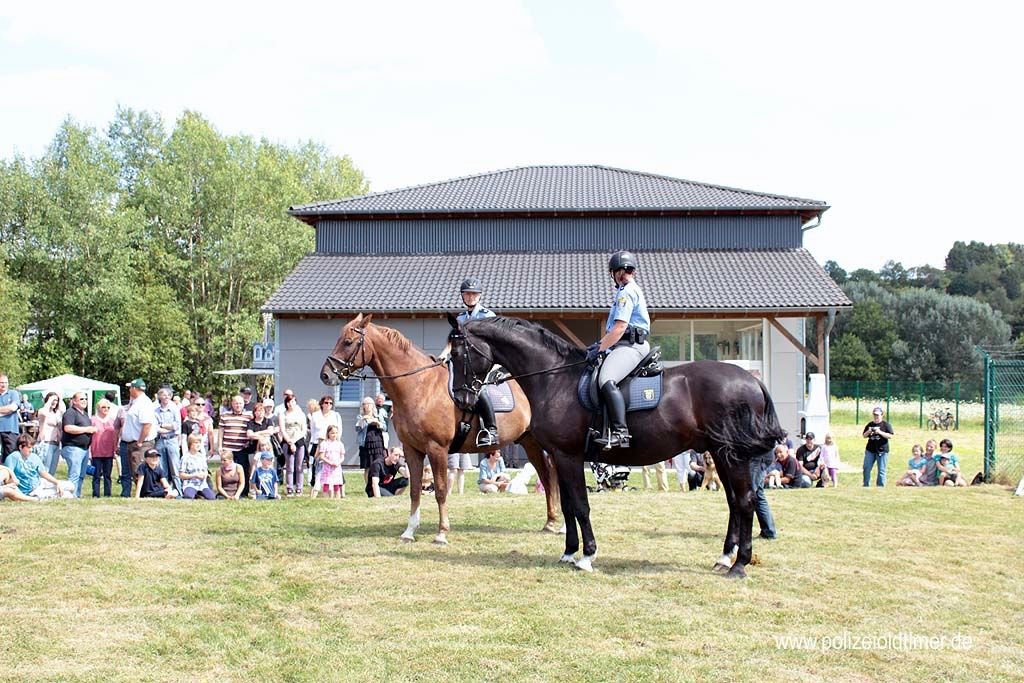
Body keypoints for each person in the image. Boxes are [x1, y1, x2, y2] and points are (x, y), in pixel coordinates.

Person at [585, 251, 651, 449]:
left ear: (617, 273)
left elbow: (620, 328)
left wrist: (599, 349)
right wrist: (600, 344)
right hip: (623, 344)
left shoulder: (626, 292)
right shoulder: (629, 289)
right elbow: (615, 331)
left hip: (630, 345)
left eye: (614, 272)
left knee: (606, 379)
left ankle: (621, 431)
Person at [455, 278, 501, 447]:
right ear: (463, 296)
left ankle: (491, 429)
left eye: (474, 294)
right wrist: (442, 357)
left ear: (479, 296)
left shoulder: (488, 316)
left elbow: (495, 342)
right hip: (467, 364)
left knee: (478, 388)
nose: (471, 297)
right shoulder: (460, 318)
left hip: (487, 362)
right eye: (467, 294)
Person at [4, 433, 73, 499]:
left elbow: (44, 473)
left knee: (71, 486)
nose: (31, 450)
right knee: (67, 495)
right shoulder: (13, 457)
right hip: (30, 491)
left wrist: (56, 482)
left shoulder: (34, 456)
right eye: (28, 447)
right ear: (20, 447)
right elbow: (7, 476)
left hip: (40, 483)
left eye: (32, 447)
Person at [121, 378, 158, 496]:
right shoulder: (136, 402)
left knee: (139, 469)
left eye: (130, 388)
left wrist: (140, 441)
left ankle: (145, 493)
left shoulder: (143, 403)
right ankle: (135, 493)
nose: (129, 390)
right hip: (131, 442)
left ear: (134, 388)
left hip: (140, 444)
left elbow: (147, 424)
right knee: (132, 470)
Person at [61, 391, 97, 498]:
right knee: (74, 474)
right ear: (74, 401)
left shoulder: (85, 415)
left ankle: (77, 495)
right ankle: (70, 496)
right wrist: (87, 429)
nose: (84, 401)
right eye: (81, 399)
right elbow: (68, 428)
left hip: (84, 449)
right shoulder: (70, 413)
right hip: (73, 448)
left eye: (85, 399)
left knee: (81, 475)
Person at [243, 400, 278, 498]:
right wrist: (263, 433)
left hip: (267, 449)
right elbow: (250, 435)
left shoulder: (268, 421)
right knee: (254, 470)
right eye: (257, 411)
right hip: (253, 450)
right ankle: (253, 490)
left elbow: (270, 432)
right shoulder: (251, 423)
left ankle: (270, 489)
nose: (260, 413)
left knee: (268, 469)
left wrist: (257, 434)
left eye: (262, 411)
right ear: (254, 412)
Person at [218, 394, 252, 491]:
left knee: (243, 470)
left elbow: (252, 429)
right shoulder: (225, 416)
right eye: (236, 403)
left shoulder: (249, 416)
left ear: (243, 404)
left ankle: (244, 491)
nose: (238, 405)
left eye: (240, 403)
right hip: (228, 448)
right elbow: (220, 432)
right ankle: (227, 489)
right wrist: (220, 446)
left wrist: (248, 442)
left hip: (242, 448)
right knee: (227, 470)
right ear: (232, 404)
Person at [308, 395, 342, 490]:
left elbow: (339, 431)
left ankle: (338, 489)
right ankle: (315, 487)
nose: (328, 405)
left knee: (334, 466)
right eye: (326, 403)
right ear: (322, 404)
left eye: (330, 403)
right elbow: (313, 431)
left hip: (331, 445)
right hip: (318, 443)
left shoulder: (335, 415)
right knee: (317, 466)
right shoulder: (315, 415)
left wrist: (337, 443)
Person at [154, 388, 183, 496]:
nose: (166, 397)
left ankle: (179, 492)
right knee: (163, 469)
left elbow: (176, 426)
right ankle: (166, 492)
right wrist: (168, 427)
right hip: (161, 440)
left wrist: (163, 425)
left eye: (168, 395)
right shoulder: (156, 411)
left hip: (172, 440)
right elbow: (156, 427)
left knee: (175, 468)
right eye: (163, 395)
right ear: (160, 397)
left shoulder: (174, 409)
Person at [278, 393, 308, 496]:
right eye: (289, 402)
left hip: (299, 441)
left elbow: (304, 430)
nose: (291, 404)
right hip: (287, 441)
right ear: (286, 403)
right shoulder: (283, 414)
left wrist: (295, 441)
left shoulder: (301, 414)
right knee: (290, 467)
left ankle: (299, 488)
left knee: (299, 467)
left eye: (293, 401)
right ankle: (289, 488)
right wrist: (290, 442)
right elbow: (282, 429)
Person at [89, 398, 119, 497]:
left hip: (109, 452)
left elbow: (116, 436)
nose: (106, 409)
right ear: (98, 408)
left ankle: (107, 494)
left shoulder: (112, 421)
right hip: (96, 451)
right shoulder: (92, 420)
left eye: (108, 407)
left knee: (107, 475)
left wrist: (115, 448)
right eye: (103, 407)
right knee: (96, 475)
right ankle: (96, 494)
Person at [356, 396, 386, 485]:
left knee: (378, 464)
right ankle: (368, 486)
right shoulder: (360, 416)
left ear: (373, 405)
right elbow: (357, 429)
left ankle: (378, 485)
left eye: (369, 404)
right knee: (367, 466)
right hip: (366, 443)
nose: (367, 406)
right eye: (365, 404)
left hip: (377, 442)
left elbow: (385, 427)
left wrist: (378, 423)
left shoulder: (378, 415)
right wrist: (362, 420)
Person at [862, 406, 894, 487]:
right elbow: (864, 435)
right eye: (875, 415)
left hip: (882, 450)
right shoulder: (870, 424)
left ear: (882, 415)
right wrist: (869, 431)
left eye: (878, 415)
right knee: (866, 468)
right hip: (870, 450)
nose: (876, 417)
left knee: (881, 470)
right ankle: (866, 485)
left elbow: (890, 436)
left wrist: (880, 432)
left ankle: (880, 487)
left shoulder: (886, 425)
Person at [35, 392, 64, 475]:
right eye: (53, 400)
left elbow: (62, 411)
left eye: (56, 400)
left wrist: (60, 399)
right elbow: (44, 412)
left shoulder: (57, 413)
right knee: (45, 470)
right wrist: (50, 401)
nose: (55, 402)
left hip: (56, 444)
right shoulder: (42, 411)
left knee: (52, 471)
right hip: (46, 443)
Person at [313, 424, 345, 499]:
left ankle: (337, 498)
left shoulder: (339, 444)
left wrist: (338, 462)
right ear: (328, 433)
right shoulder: (324, 444)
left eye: (336, 433)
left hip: (336, 468)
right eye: (332, 433)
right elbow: (321, 456)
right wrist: (330, 463)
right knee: (326, 483)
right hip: (327, 468)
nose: (334, 435)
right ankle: (326, 498)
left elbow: (342, 456)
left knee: (336, 484)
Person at [180, 433, 215, 500]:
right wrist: (194, 476)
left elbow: (205, 470)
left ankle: (200, 493)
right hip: (190, 483)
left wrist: (204, 475)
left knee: (211, 497)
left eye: (199, 443)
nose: (198, 445)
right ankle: (194, 493)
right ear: (190, 444)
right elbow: (181, 474)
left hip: (202, 484)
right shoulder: (185, 457)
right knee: (189, 496)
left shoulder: (201, 457)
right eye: (196, 443)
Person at [0, 373, 23, 460]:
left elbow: (13, 407)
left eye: (5, 382)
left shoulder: (13, 393)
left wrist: (8, 409)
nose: (4, 385)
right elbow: (9, 409)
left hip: (10, 430)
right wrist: (7, 410)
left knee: (11, 455)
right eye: (1, 382)